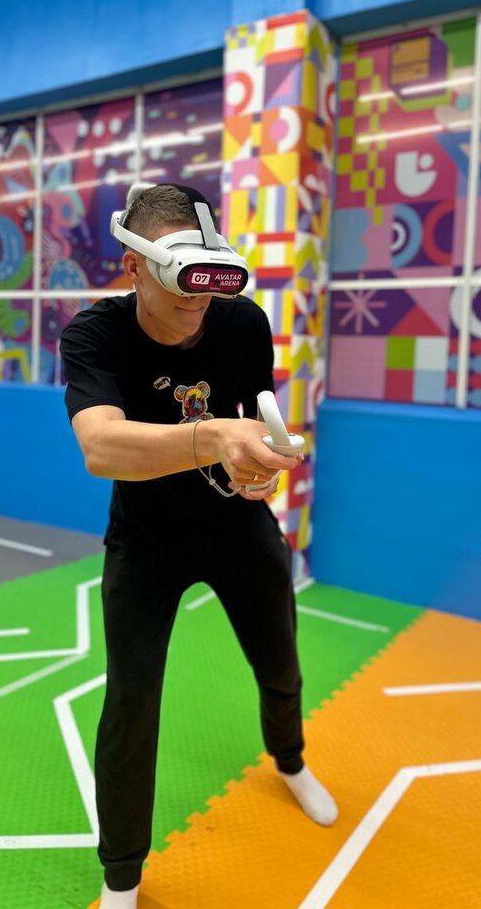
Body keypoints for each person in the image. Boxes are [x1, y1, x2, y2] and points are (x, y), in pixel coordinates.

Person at [60, 183, 337, 909]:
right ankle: (122, 876)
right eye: (180, 282)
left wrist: (258, 468)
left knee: (280, 659)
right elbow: (100, 447)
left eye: (208, 285)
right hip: (145, 540)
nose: (197, 302)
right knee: (131, 702)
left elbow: (254, 421)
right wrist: (211, 436)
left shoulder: (242, 323)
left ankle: (290, 761)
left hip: (236, 526)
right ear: (133, 266)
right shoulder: (94, 334)